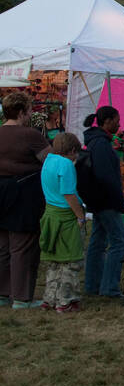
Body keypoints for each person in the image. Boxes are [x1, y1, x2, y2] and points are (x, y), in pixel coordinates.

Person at [0, 91, 49, 309]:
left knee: (2, 245)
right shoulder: (30, 135)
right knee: (23, 246)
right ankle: (21, 297)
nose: (30, 114)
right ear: (21, 112)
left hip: (0, 191)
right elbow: (50, 161)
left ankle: (2, 294)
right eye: (29, 110)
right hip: (24, 193)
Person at [81, 106, 124, 299]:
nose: (119, 123)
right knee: (120, 241)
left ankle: (93, 285)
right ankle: (109, 287)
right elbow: (106, 176)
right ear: (107, 121)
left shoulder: (96, 141)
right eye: (117, 120)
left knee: (98, 242)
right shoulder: (101, 144)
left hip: (97, 199)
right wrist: (118, 200)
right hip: (106, 200)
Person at [39, 132, 86, 313]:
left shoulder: (48, 160)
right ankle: (65, 300)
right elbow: (68, 193)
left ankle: (49, 298)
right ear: (72, 151)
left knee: (54, 262)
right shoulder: (66, 164)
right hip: (66, 216)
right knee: (70, 261)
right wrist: (80, 216)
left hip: (50, 213)